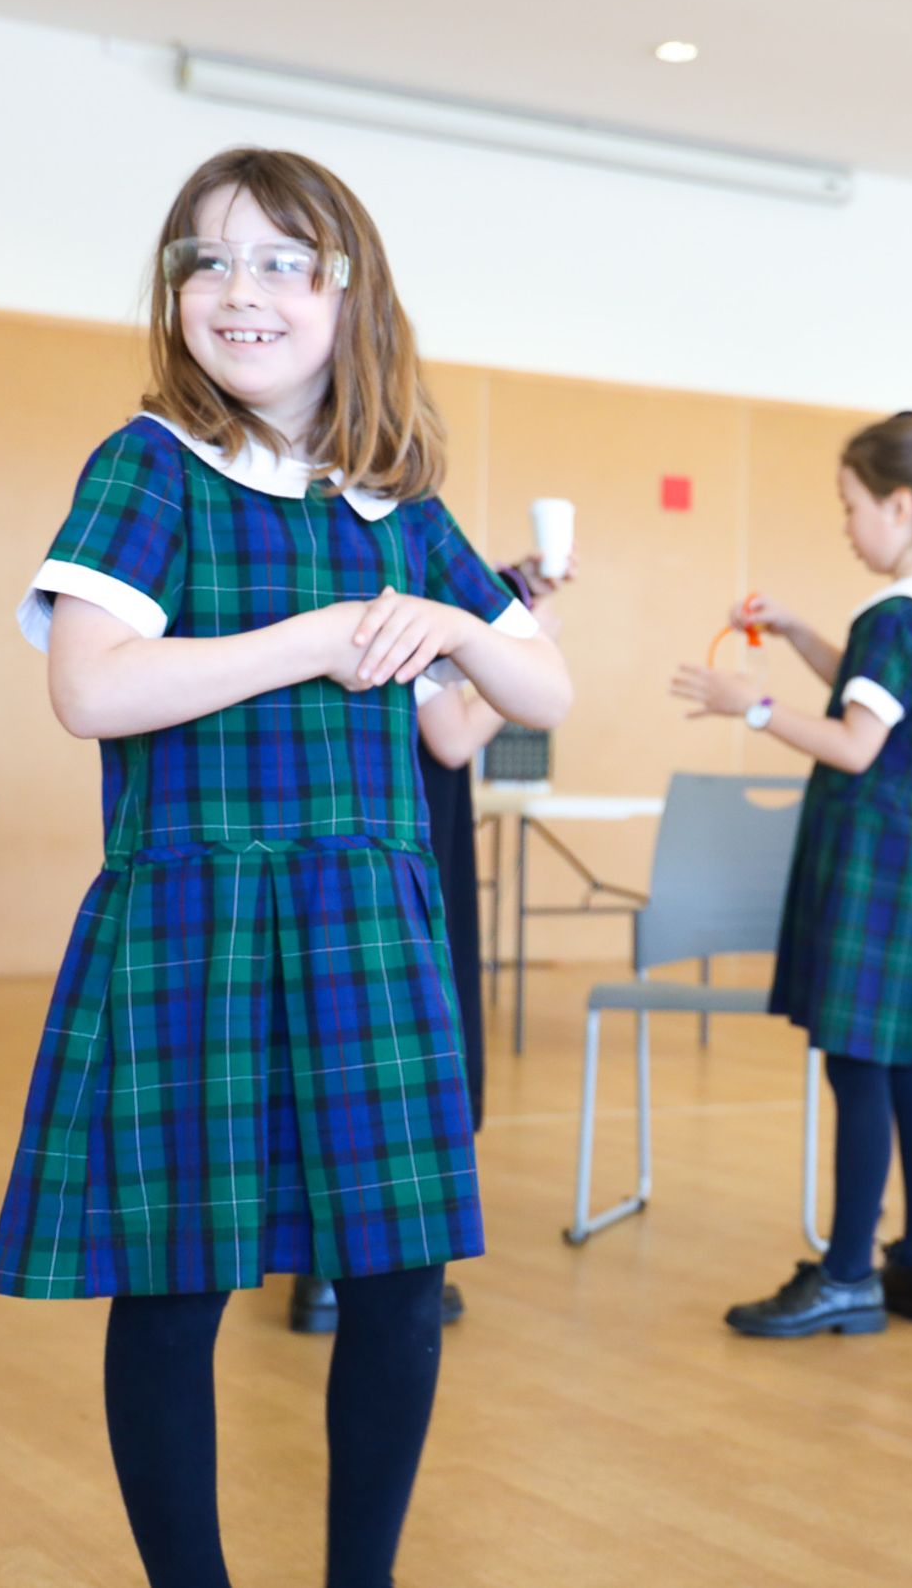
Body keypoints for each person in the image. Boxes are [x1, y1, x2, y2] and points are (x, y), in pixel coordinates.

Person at [0, 147, 570, 1588]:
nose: (237, 290)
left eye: (279, 262)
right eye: (207, 259)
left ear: (347, 290)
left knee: (398, 1281)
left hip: (368, 923)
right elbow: (91, 688)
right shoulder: (149, 465)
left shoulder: (398, 502)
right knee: (176, 1284)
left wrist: (459, 623)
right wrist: (317, 637)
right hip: (195, 916)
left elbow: (522, 696)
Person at [670, 412, 912, 1338]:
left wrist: (752, 706)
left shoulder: (896, 615)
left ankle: (849, 1274)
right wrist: (795, 632)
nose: (846, 526)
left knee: (858, 1069)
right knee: (905, 1070)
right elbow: (867, 694)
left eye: (851, 507)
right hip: (911, 859)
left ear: (899, 507)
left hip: (873, 863)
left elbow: (855, 744)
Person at [289, 552, 574, 1334]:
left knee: (337, 1042)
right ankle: (346, 1274)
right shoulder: (399, 606)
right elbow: (452, 737)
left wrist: (515, 593)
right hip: (406, 836)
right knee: (389, 1055)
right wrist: (535, 643)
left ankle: (324, 1269)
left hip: (361, 833)